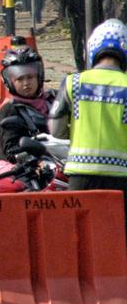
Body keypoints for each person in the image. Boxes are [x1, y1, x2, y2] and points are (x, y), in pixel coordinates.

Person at [50, 20, 127, 223]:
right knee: (118, 235)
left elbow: (56, 128)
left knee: (79, 233)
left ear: (92, 49)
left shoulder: (73, 83)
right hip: (120, 177)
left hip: (80, 176)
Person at [0, 47, 54, 159]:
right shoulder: (9, 111)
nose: (26, 83)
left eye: (30, 77)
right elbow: (10, 151)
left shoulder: (53, 100)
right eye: (20, 79)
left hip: (59, 162)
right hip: (22, 170)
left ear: (39, 76)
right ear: (10, 82)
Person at [61, 0, 96, 71]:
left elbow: (100, 3)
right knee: (77, 50)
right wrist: (64, 16)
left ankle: (90, 70)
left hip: (91, 21)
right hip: (75, 20)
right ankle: (81, 72)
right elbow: (63, 1)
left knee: (90, 48)